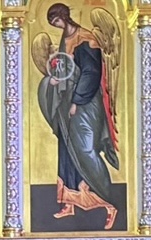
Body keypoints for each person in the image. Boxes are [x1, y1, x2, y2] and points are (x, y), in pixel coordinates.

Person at [38, 4, 118, 225]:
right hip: (67, 105)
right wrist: (54, 81)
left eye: (56, 21)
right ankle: (70, 202)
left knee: (85, 150)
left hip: (86, 105)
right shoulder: (65, 41)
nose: (56, 26)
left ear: (64, 17)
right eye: (53, 23)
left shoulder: (86, 39)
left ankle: (108, 203)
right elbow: (65, 70)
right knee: (67, 151)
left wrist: (77, 101)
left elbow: (91, 73)